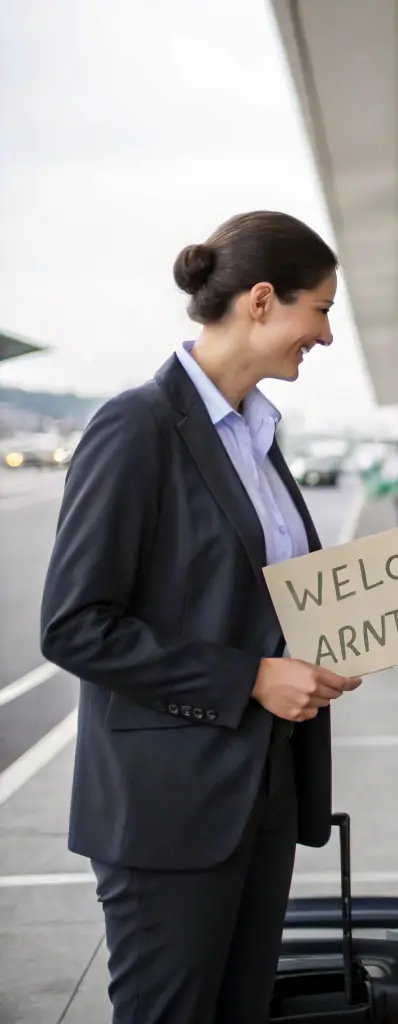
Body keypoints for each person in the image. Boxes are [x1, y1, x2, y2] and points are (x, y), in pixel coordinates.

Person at [38, 211, 364, 1024]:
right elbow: (75, 624)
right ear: (261, 301)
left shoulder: (256, 439)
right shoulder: (138, 427)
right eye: (318, 309)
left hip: (264, 793)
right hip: (170, 811)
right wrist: (251, 677)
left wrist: (361, 624)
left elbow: (254, 602)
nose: (323, 335)